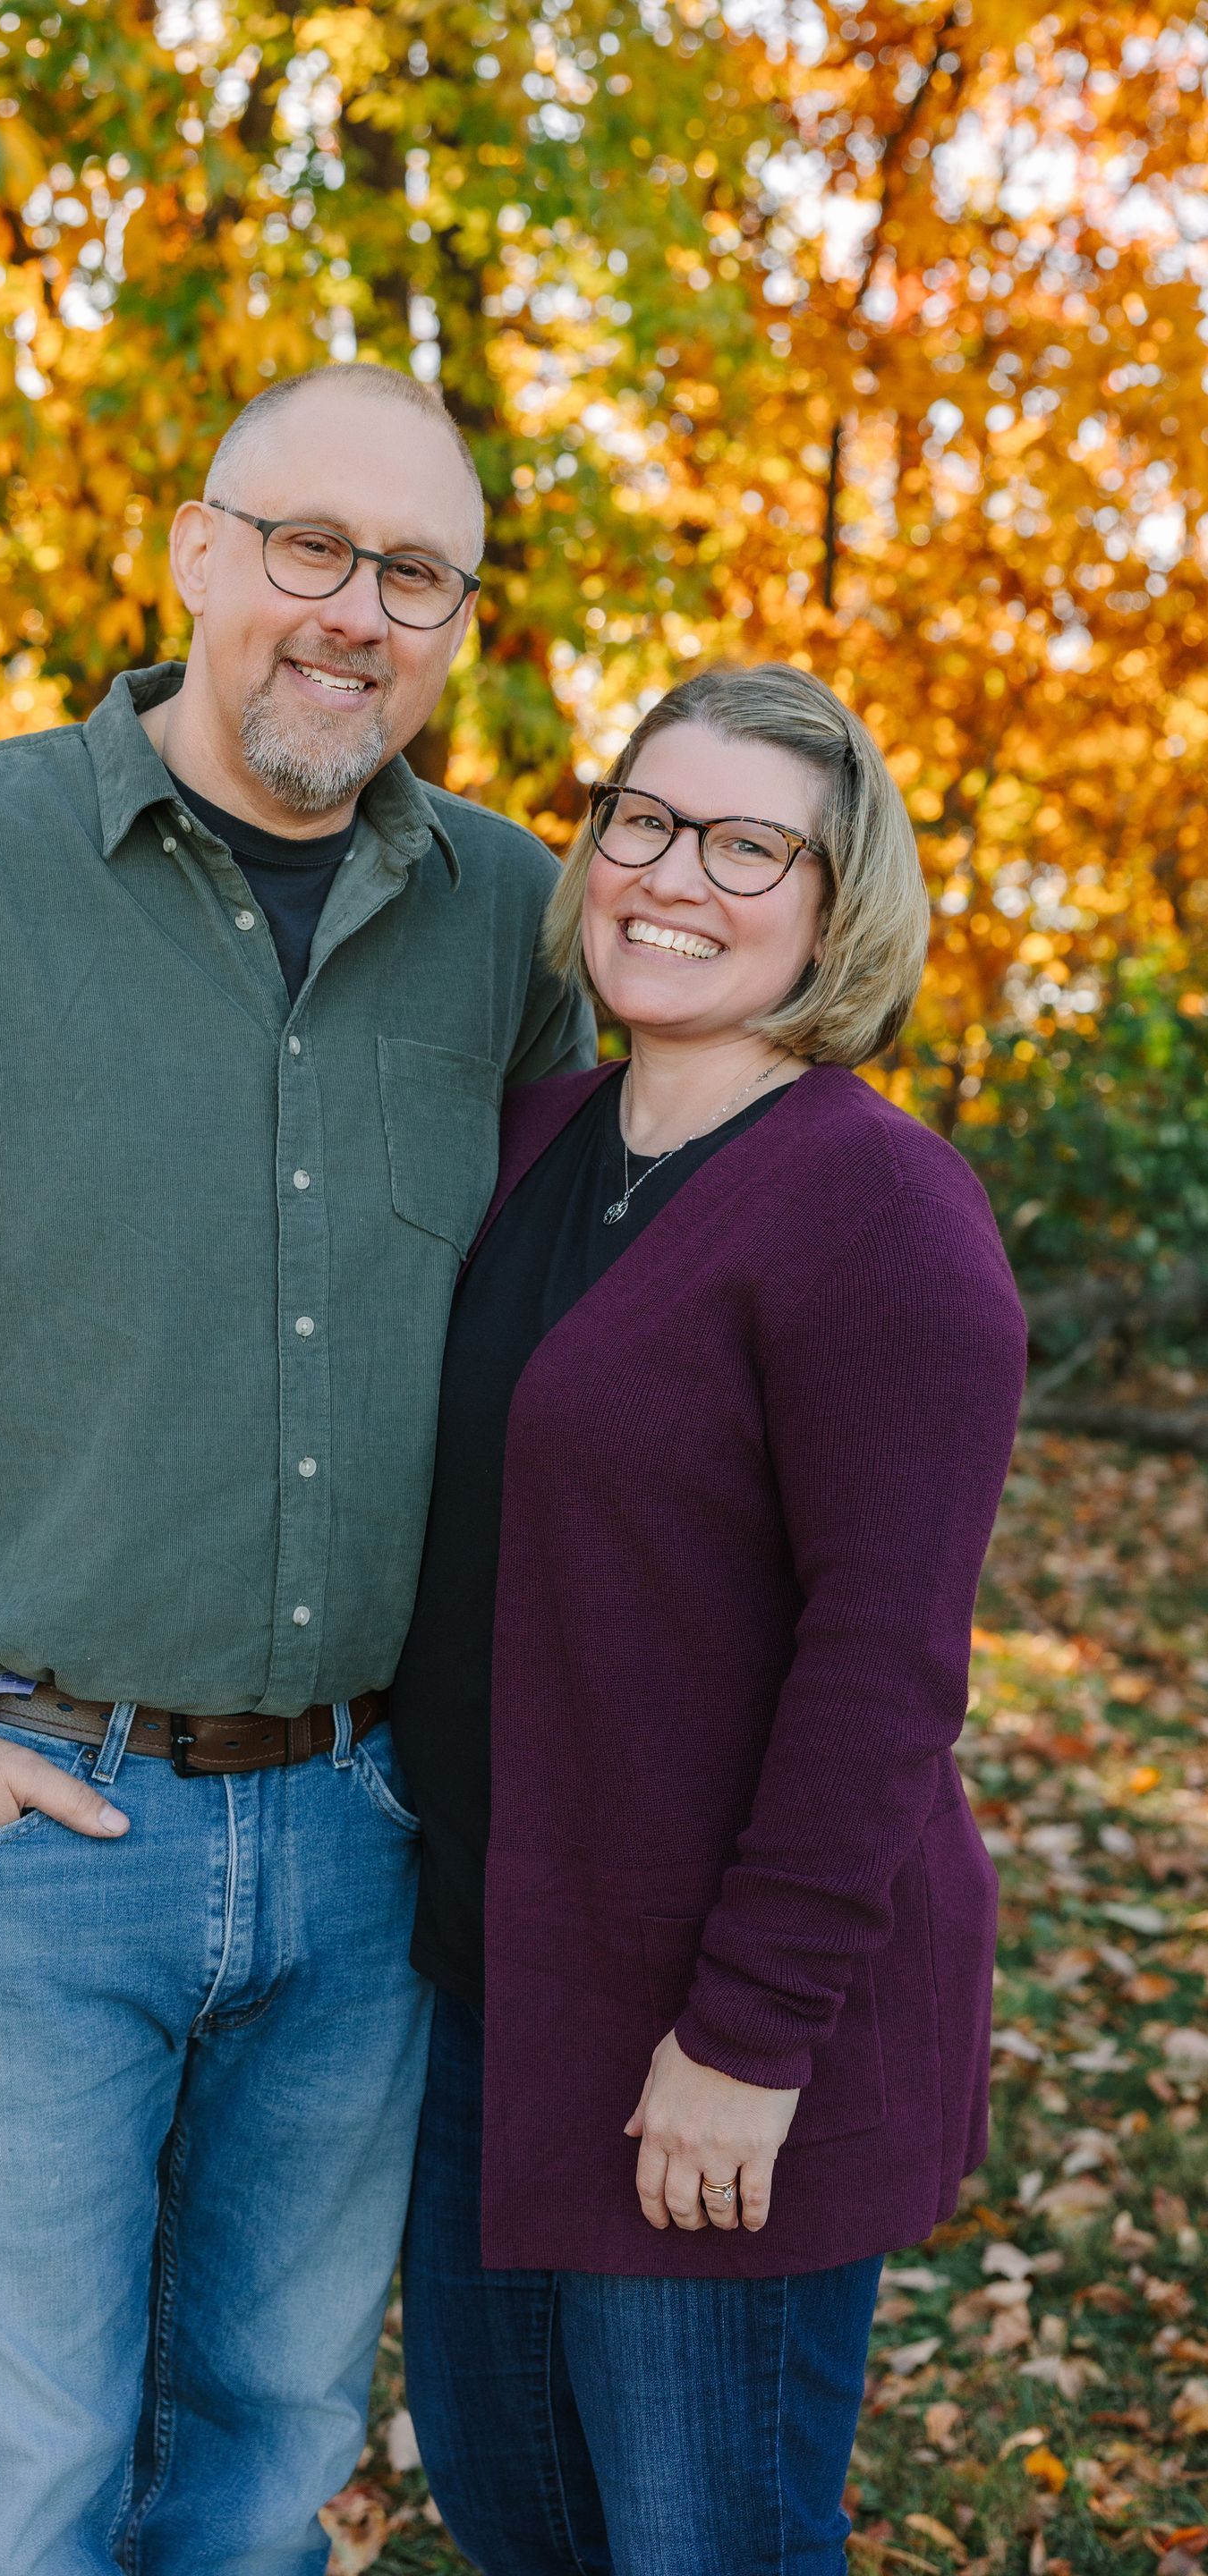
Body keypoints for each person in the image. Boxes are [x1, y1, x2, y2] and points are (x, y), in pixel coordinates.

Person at [0, 361, 593, 2576]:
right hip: (24, 1830)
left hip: (367, 1847)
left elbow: (584, 1352)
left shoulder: (515, 928)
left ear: (460, 627)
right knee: (23, 2496)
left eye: (416, 574)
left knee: (264, 2464)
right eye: (308, 546)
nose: (353, 612)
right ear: (192, 548)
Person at [391, 662, 1028, 2574]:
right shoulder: (532, 1144)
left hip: (715, 2023)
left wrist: (745, 2042)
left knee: (707, 2542)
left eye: (752, 845)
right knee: (527, 2522)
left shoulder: (883, 1215)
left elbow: (885, 1677)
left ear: (840, 908)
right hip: (492, 1993)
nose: (675, 874)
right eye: (643, 819)